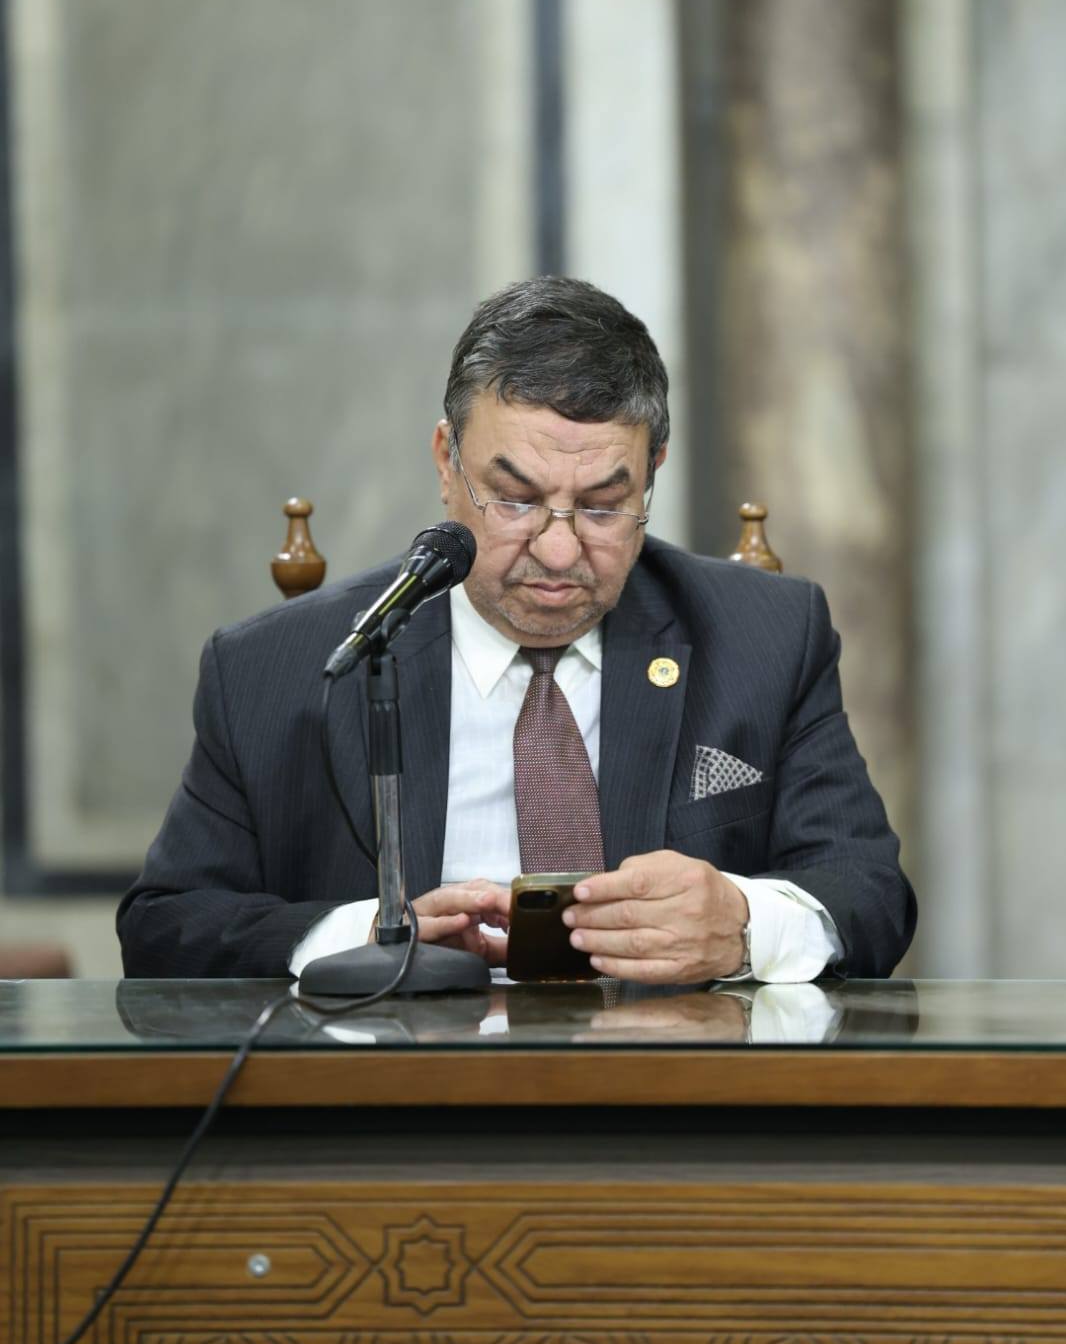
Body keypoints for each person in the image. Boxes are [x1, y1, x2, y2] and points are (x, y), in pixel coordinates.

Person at [118, 277, 916, 982]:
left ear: (652, 474)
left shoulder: (763, 640)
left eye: (602, 506)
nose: (559, 550)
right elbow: (164, 927)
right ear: (446, 461)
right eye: (516, 499)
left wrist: (739, 922)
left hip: (666, 1081)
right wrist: (367, 937)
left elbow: (870, 892)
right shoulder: (276, 669)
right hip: (396, 1086)